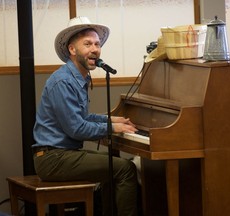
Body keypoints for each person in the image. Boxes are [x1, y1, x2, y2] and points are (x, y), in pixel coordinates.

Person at [32, 16, 139, 216]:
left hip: (63, 154)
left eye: (97, 44)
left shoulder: (78, 77)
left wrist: (110, 120)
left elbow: (82, 117)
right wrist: (113, 128)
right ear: (72, 50)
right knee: (125, 169)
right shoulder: (63, 81)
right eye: (87, 44)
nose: (95, 49)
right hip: (53, 158)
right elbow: (76, 128)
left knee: (112, 162)